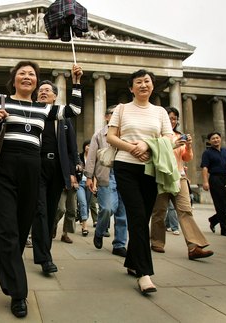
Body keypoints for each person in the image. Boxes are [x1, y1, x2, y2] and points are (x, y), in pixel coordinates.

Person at [0, 61, 83, 318]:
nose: (27, 77)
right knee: (8, 228)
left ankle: (10, 266)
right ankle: (18, 293)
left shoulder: (44, 107)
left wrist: (76, 82)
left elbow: (73, 110)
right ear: (14, 79)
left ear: (36, 81)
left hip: (33, 166)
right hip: (4, 167)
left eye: (31, 74)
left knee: (21, 227)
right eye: (22, 73)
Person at [106, 69, 175, 294]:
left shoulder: (160, 112)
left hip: (150, 168)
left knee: (142, 217)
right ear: (131, 87)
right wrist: (133, 148)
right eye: (139, 82)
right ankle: (145, 274)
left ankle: (132, 261)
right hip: (125, 166)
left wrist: (147, 145)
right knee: (136, 216)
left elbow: (169, 137)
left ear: (152, 86)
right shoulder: (122, 109)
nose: (143, 85)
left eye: (147, 81)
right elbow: (111, 136)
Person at [150, 107, 214, 260]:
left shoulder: (180, 136)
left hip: (180, 177)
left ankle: (194, 246)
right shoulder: (156, 135)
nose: (172, 121)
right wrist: (172, 145)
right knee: (159, 211)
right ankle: (157, 241)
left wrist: (189, 146)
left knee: (185, 209)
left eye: (174, 118)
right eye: (169, 117)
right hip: (161, 177)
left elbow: (187, 158)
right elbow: (154, 154)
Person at [32, 80, 79, 274]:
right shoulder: (34, 114)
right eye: (40, 90)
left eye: (47, 90)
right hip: (37, 166)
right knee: (40, 212)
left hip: (57, 169)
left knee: (51, 213)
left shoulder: (63, 118)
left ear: (55, 96)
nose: (43, 93)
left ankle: (45, 250)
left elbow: (71, 148)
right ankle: (44, 258)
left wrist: (73, 172)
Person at [85, 105, 128, 258]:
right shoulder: (99, 134)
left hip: (125, 175)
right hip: (106, 175)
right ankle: (100, 230)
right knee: (108, 208)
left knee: (123, 213)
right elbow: (91, 157)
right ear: (107, 117)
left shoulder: (127, 132)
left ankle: (119, 244)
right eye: (114, 113)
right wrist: (89, 176)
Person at [200, 132, 226, 237]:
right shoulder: (207, 153)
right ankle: (225, 229)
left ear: (220, 139)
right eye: (213, 138)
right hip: (216, 179)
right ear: (209, 141)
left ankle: (213, 220)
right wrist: (205, 181)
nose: (215, 140)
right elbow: (205, 167)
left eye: (217, 138)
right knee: (220, 205)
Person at [77, 140, 93, 236]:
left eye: (90, 146)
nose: (88, 147)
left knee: (87, 204)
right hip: (80, 183)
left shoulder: (93, 158)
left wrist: (95, 185)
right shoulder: (79, 156)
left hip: (89, 184)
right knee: (82, 202)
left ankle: (83, 219)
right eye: (87, 145)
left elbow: (95, 173)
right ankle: (85, 226)